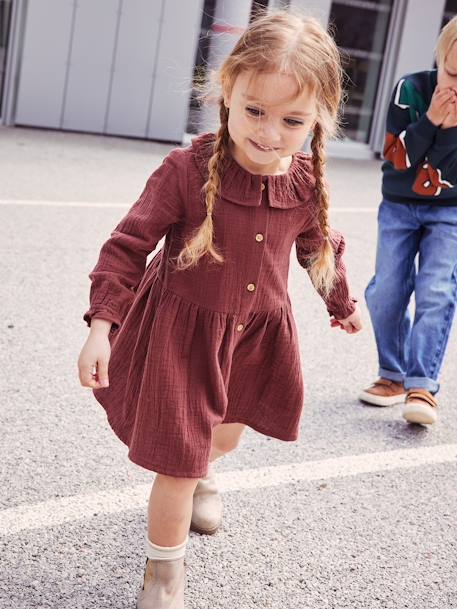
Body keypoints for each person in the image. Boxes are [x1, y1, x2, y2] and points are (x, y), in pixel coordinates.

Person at [78, 11, 361, 609]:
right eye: (254, 111)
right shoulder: (186, 171)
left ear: (318, 120)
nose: (269, 132)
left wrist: (341, 302)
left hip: (254, 340)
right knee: (176, 463)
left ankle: (209, 470)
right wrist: (103, 326)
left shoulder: (305, 183)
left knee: (223, 439)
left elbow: (315, 246)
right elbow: (127, 246)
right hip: (182, 338)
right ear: (227, 90)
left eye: (292, 120)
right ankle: (162, 574)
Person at [359, 16, 457, 426]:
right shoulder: (411, 89)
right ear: (440, 56)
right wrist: (431, 122)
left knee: (436, 289)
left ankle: (421, 384)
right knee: (386, 290)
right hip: (399, 204)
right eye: (453, 72)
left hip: (451, 210)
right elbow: (396, 158)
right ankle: (393, 374)